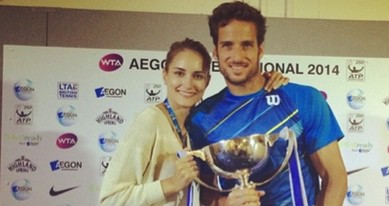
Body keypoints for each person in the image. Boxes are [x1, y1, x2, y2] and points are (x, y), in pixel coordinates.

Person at [187, 2, 347, 206]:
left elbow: (334, 177)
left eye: (246, 44)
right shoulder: (201, 118)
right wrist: (225, 203)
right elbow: (203, 192)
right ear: (216, 52)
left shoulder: (302, 99)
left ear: (260, 50)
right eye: (227, 45)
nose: (237, 56)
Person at [99, 38, 288, 206]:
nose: (188, 84)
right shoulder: (150, 121)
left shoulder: (192, 127)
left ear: (207, 81)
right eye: (179, 73)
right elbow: (111, 199)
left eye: (197, 76)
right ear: (165, 75)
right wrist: (171, 184)